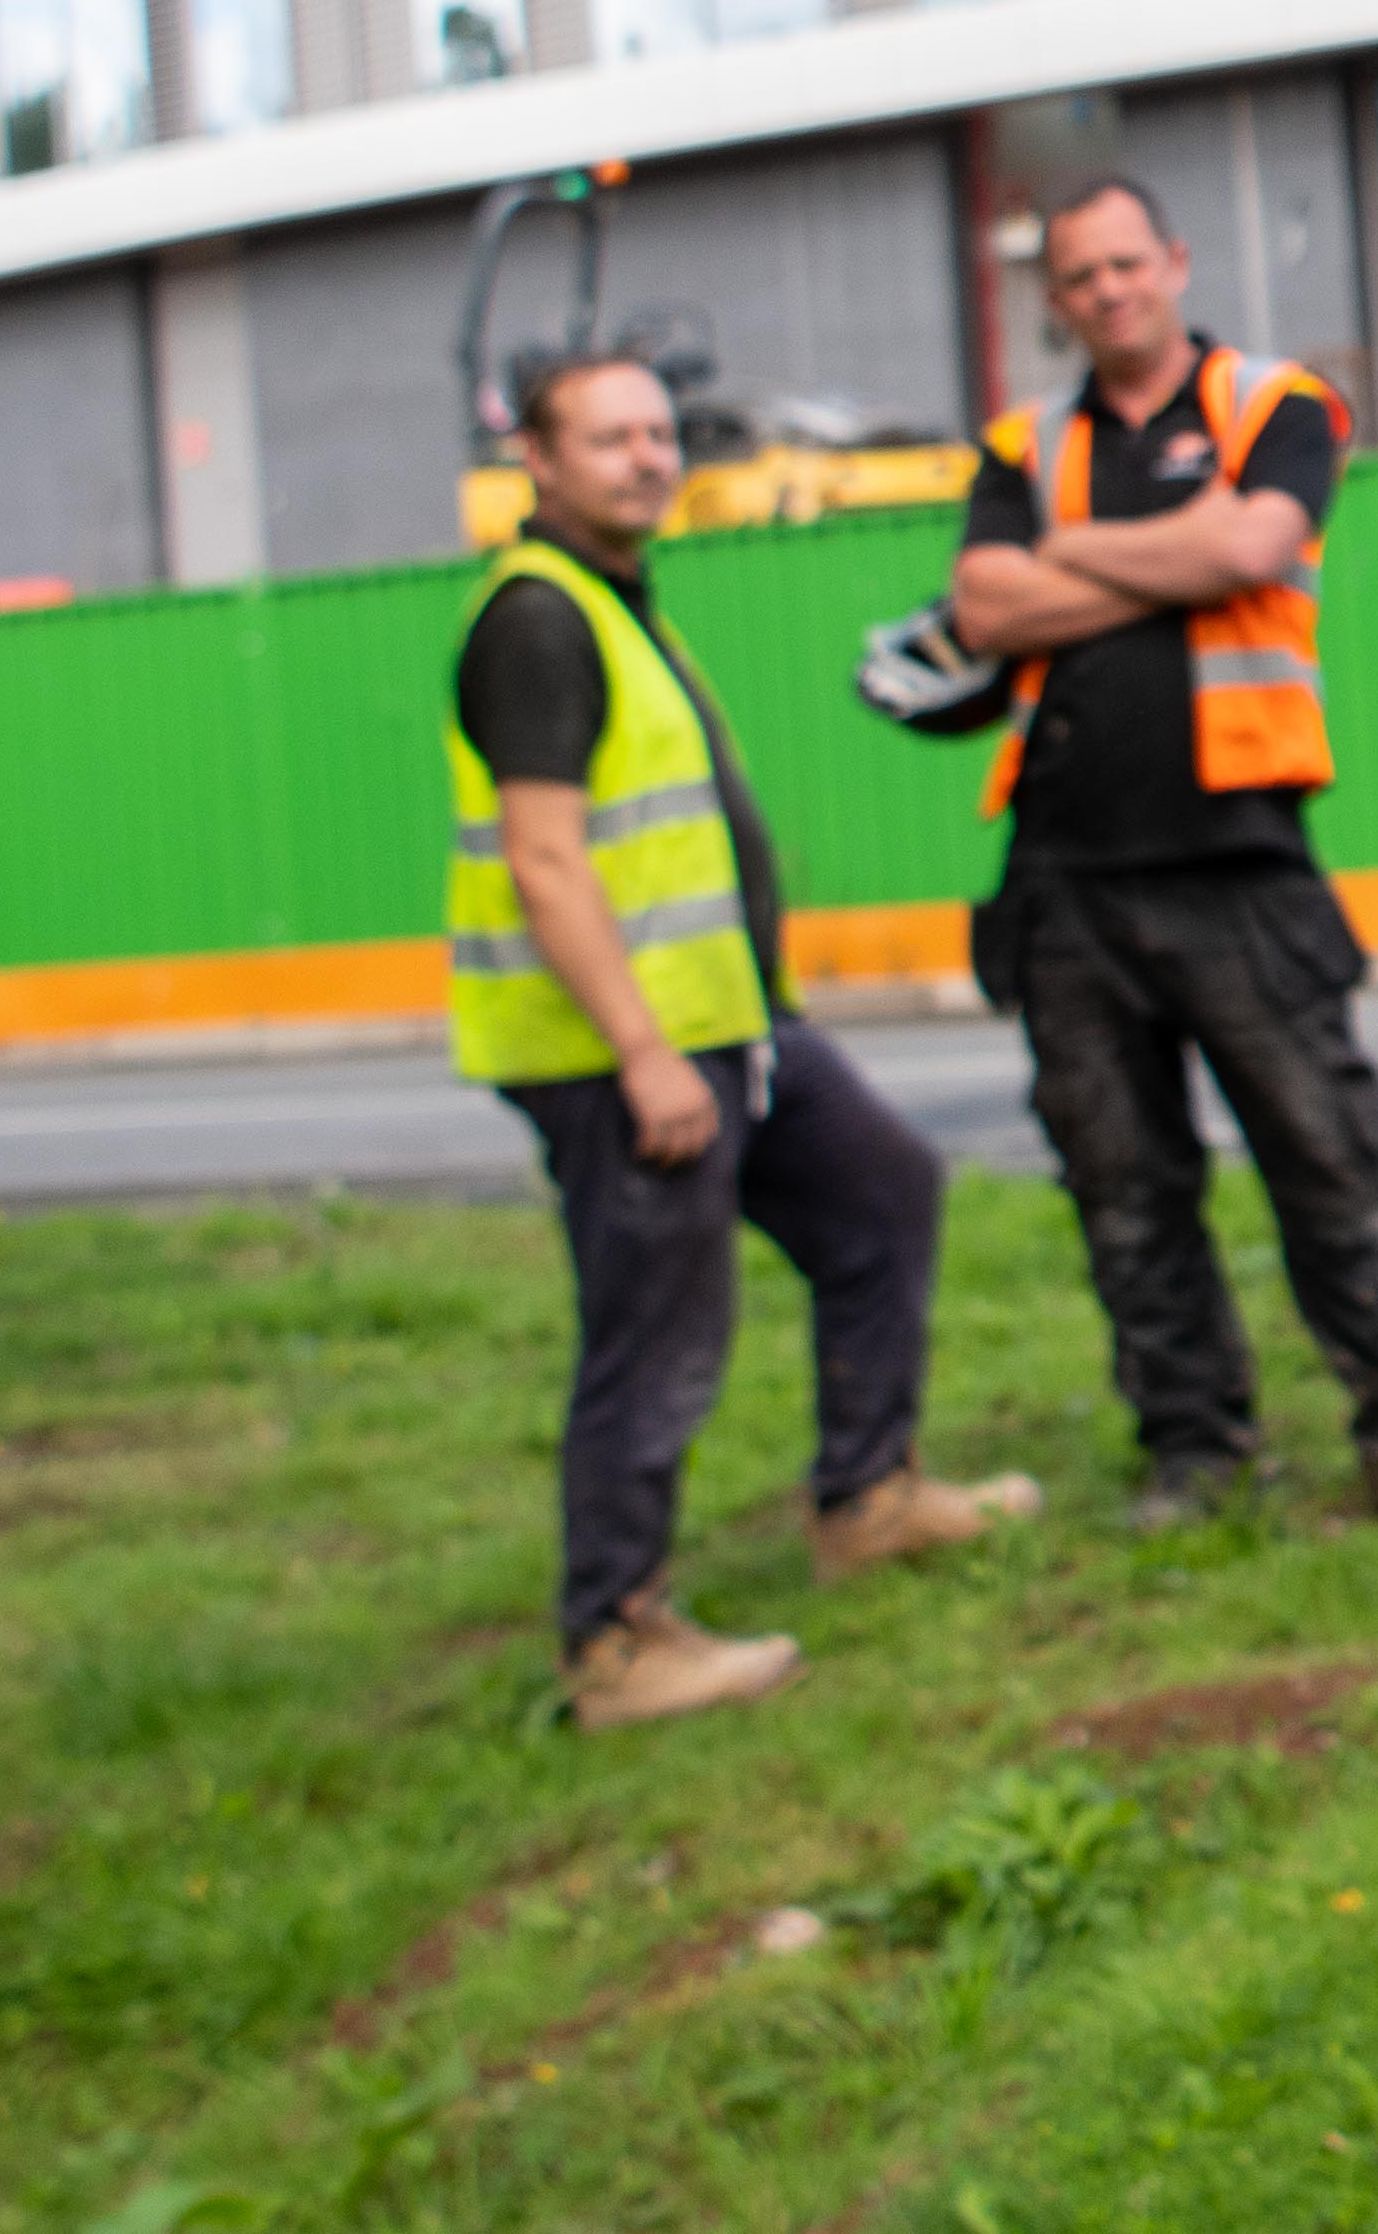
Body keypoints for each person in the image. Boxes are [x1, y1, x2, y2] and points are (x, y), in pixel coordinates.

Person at [948, 176, 1378, 1530]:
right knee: (1125, 1193)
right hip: (1065, 880)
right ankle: (1195, 1459)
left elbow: (1254, 542)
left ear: (1173, 261)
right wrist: (1172, 554)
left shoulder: (1272, 405)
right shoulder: (1021, 442)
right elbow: (982, 607)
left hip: (1236, 858)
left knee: (1334, 1169)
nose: (1108, 292)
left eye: (1125, 264)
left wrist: (1078, 557)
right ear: (1055, 301)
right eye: (1079, 278)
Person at [448, 350, 1032, 1729]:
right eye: (609, 438)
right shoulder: (535, 619)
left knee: (881, 1191)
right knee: (655, 1332)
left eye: (658, 434)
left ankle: (868, 1495)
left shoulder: (613, 602)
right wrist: (644, 1053)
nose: (646, 458)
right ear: (538, 459)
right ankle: (615, 1639)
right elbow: (545, 860)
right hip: (631, 1053)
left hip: (734, 1030)